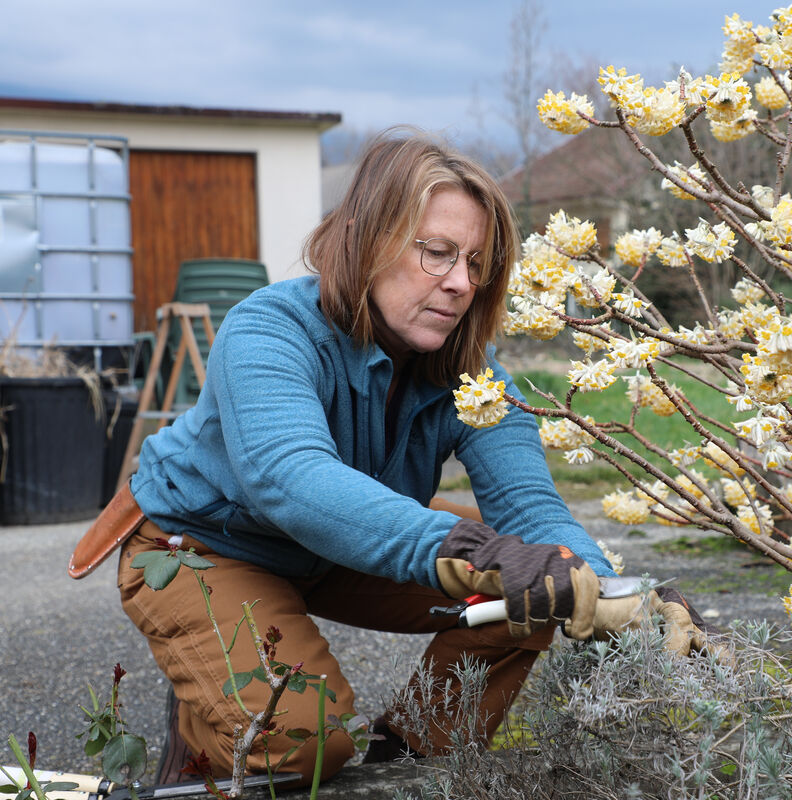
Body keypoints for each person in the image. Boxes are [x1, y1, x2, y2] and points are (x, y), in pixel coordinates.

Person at [70, 132, 709, 784]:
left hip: (338, 548)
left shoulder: (476, 380)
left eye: (476, 262)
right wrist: (476, 555)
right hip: (203, 544)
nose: (460, 283)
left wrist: (616, 594)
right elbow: (291, 481)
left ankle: (407, 761)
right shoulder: (268, 330)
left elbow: (532, 511)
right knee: (301, 743)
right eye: (436, 252)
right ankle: (205, 725)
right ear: (367, 240)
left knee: (541, 586)